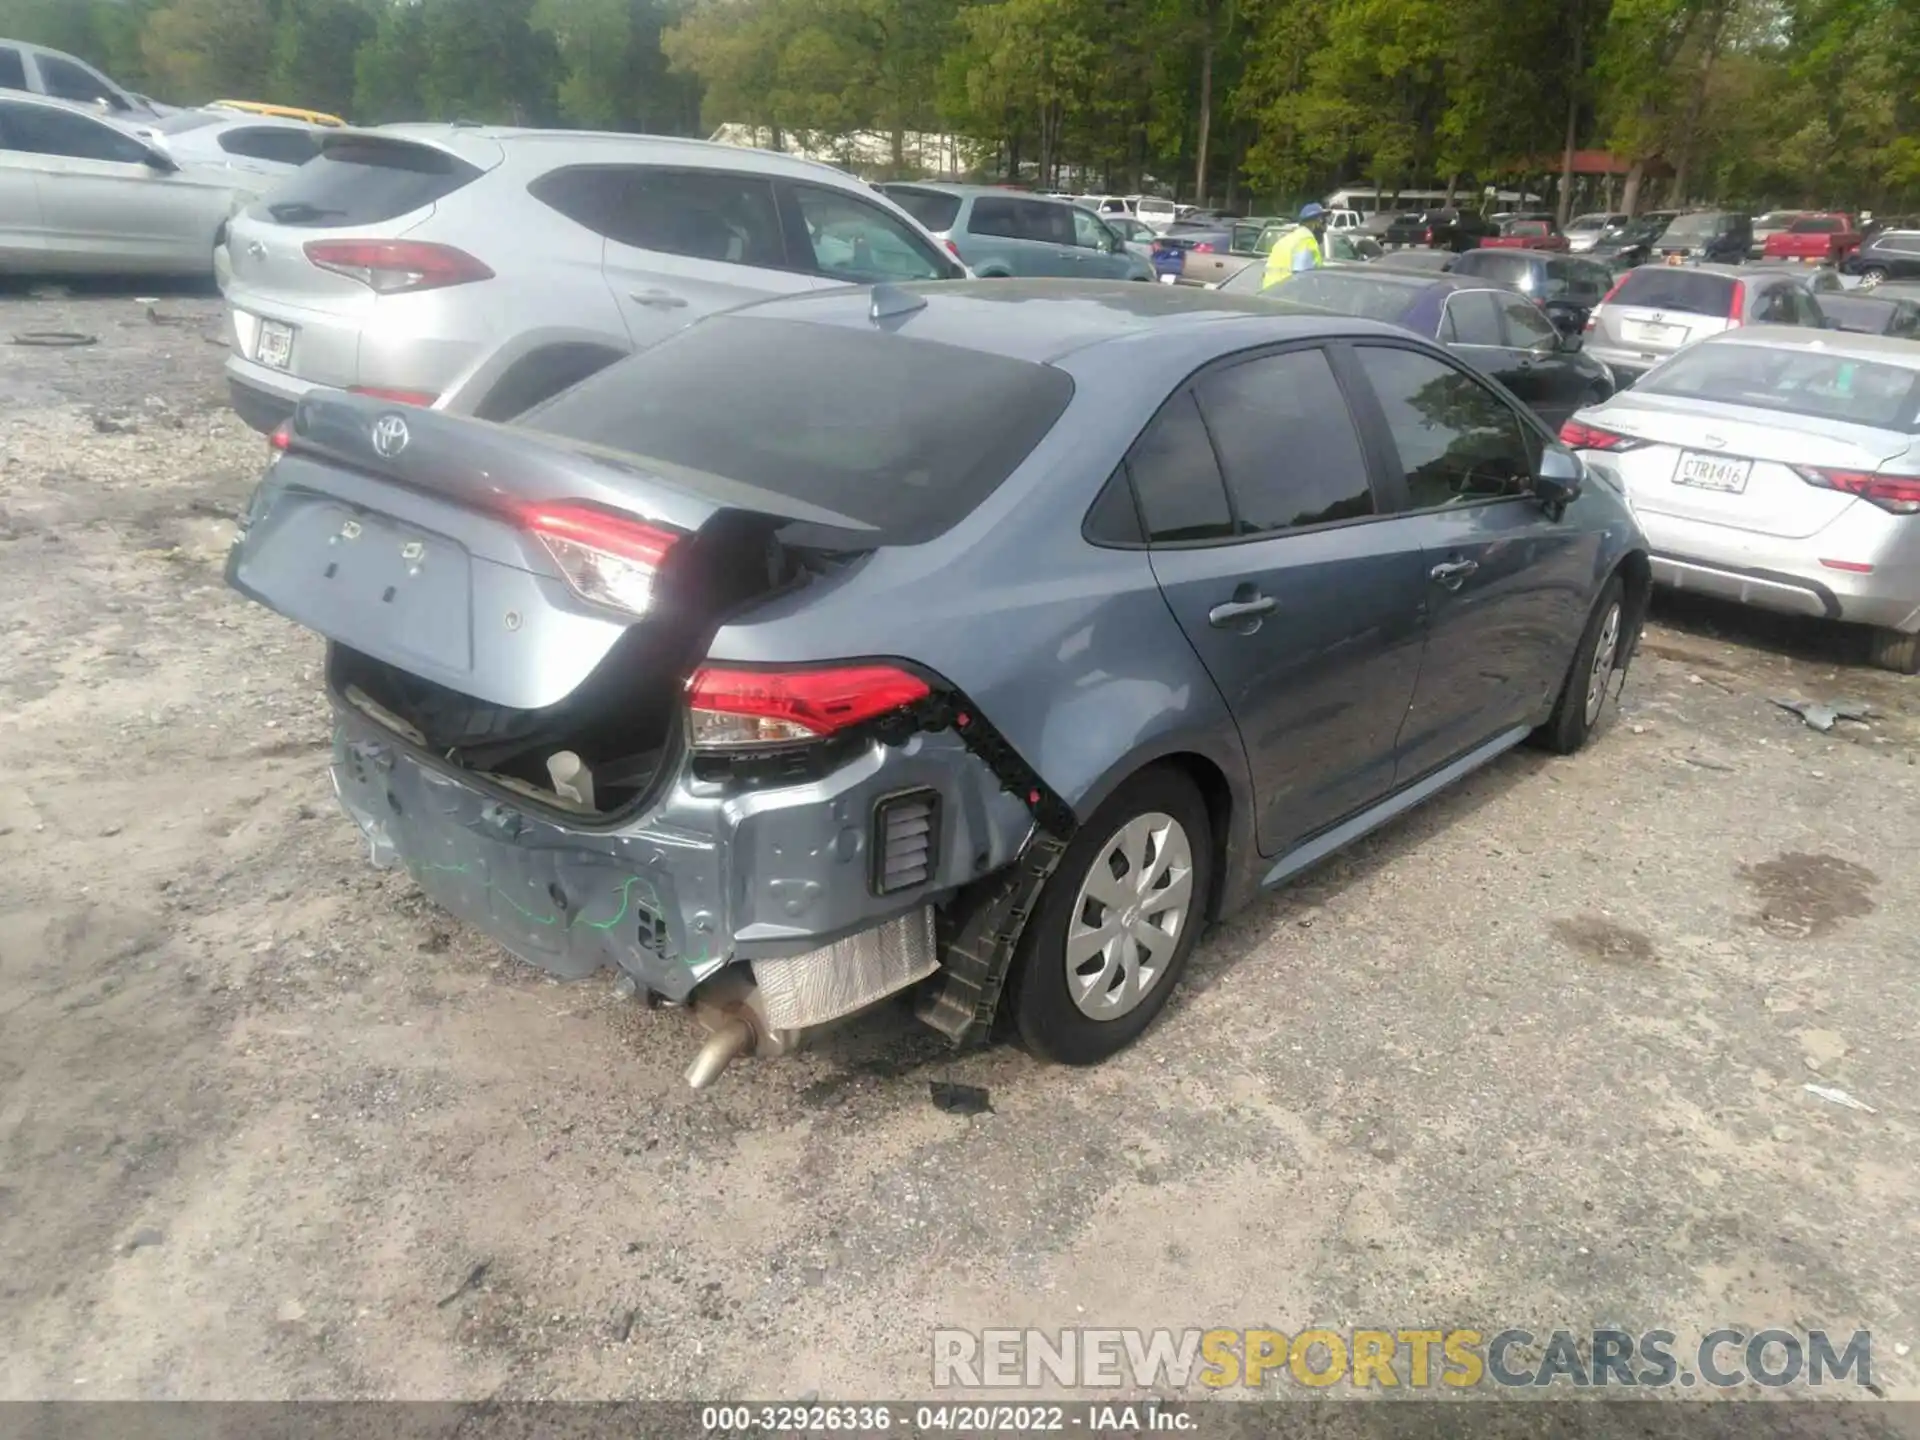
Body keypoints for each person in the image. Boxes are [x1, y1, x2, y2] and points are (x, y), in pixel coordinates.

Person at [1263, 202, 1328, 288]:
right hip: (1288, 296)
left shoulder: (1286, 240)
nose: (1324, 228)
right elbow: (1302, 277)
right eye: (1322, 222)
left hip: (1268, 293)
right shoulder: (1306, 240)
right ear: (1315, 223)